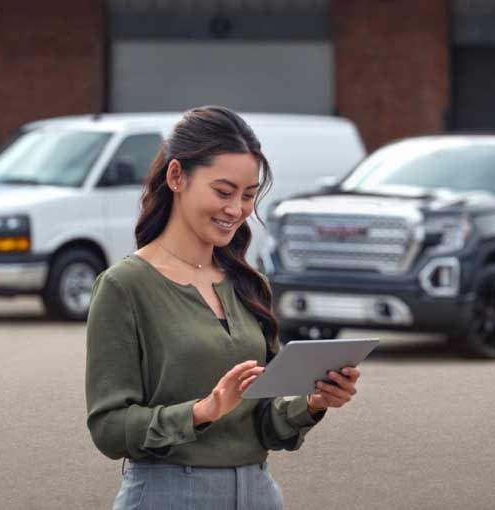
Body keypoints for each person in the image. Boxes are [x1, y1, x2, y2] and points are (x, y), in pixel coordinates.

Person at [85, 106, 361, 510]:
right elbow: (109, 429)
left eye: (249, 195)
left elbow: (265, 422)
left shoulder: (249, 285)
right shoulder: (124, 286)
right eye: (224, 191)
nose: (237, 209)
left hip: (259, 492)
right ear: (177, 177)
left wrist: (314, 401)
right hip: (168, 495)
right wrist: (203, 411)